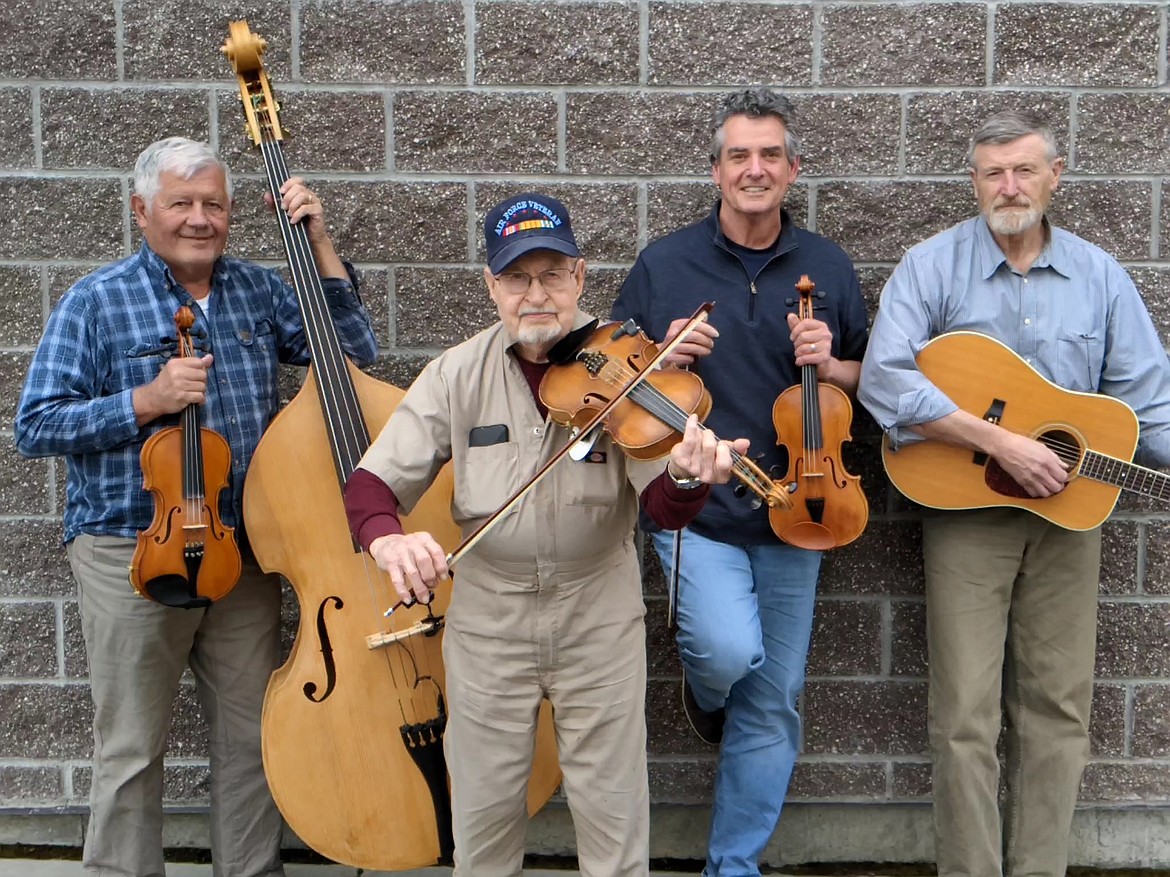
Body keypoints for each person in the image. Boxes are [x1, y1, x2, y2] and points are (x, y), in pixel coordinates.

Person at [343, 191, 746, 877]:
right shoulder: (456, 373)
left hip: (597, 612)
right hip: (489, 619)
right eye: (518, 277)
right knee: (483, 819)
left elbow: (665, 508)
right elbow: (371, 485)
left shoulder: (631, 368)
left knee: (614, 816)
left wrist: (686, 476)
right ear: (491, 285)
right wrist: (389, 541)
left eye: (552, 274)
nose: (536, 294)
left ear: (580, 277)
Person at [13, 136, 378, 877]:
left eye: (213, 203)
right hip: (130, 552)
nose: (199, 218)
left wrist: (319, 244)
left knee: (249, 740)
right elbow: (36, 423)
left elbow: (355, 352)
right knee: (132, 744)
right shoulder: (96, 298)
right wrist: (142, 401)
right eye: (181, 203)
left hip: (240, 551)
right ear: (142, 210)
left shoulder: (259, 288)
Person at [857, 110, 1170, 877]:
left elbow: (1148, 404)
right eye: (993, 172)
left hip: (1069, 518)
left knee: (1058, 711)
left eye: (1024, 169)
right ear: (973, 182)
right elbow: (883, 376)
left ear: (1054, 176)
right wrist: (999, 442)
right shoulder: (931, 266)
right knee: (964, 714)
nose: (1009, 185)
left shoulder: (1099, 276)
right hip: (965, 516)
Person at [610, 88, 870, 876]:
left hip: (803, 508)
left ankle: (733, 865)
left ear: (794, 169)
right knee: (728, 653)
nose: (753, 170)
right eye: (737, 156)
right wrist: (664, 350)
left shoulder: (827, 266)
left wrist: (832, 362)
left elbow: (875, 383)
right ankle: (707, 688)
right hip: (697, 508)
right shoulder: (665, 262)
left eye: (769, 156)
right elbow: (614, 381)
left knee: (774, 698)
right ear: (715, 170)